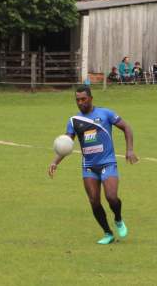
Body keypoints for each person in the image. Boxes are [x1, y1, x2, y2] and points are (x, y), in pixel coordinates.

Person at [47, 85, 138, 244]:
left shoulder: (105, 113)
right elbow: (66, 144)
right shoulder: (74, 121)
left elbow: (127, 128)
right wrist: (55, 161)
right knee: (94, 201)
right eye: (77, 100)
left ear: (90, 98)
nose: (80, 102)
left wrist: (130, 150)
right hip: (88, 166)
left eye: (83, 99)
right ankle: (108, 233)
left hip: (108, 162)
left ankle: (118, 218)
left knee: (111, 197)